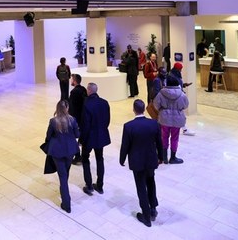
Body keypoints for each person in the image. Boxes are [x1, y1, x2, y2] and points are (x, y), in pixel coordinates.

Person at [119, 99, 163, 228]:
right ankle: (153, 208)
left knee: (141, 187)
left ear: (134, 110)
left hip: (137, 162)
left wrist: (122, 159)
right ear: (144, 109)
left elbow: (125, 145)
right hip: (150, 160)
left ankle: (146, 216)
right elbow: (159, 143)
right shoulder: (154, 124)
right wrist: (161, 157)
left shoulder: (129, 126)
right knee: (151, 182)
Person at [44, 100, 79, 213]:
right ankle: (64, 190)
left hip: (57, 152)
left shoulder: (53, 121)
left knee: (62, 176)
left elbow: (48, 137)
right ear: (67, 108)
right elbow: (77, 134)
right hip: (70, 151)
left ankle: (66, 203)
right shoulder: (72, 120)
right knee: (65, 173)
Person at [80, 82, 111, 196]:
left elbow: (85, 124)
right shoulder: (104, 103)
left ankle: (89, 185)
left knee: (85, 159)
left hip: (89, 138)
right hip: (100, 136)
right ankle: (100, 185)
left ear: (89, 91)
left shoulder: (86, 104)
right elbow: (107, 120)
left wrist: (82, 139)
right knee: (99, 159)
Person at [152, 75, 188, 164]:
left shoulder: (161, 93)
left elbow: (156, 105)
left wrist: (162, 110)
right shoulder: (182, 94)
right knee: (175, 138)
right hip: (177, 119)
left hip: (164, 119)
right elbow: (185, 105)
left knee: (164, 137)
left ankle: (164, 157)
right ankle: (173, 157)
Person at [68, 74, 87, 164]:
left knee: (73, 139)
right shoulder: (83, 89)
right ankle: (83, 156)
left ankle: (78, 156)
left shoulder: (74, 92)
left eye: (72, 79)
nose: (71, 81)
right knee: (82, 139)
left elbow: (72, 108)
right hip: (83, 119)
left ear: (74, 81)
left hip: (76, 120)